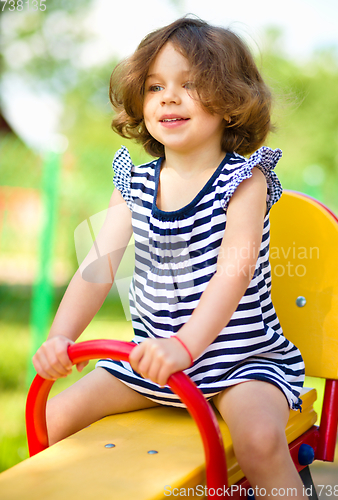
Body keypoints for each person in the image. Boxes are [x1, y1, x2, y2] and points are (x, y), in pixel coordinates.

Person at [33, 17, 307, 499]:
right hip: (155, 363)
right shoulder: (135, 184)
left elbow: (233, 273)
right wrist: (60, 339)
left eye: (191, 85)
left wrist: (186, 345)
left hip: (239, 364)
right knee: (56, 417)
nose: (168, 97)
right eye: (155, 86)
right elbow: (97, 269)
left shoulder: (244, 181)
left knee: (260, 441)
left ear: (230, 102)